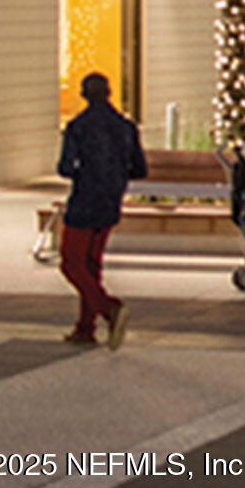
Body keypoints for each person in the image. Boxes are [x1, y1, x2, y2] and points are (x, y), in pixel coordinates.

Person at [56, 73, 146, 349]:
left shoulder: (78, 127)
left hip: (84, 201)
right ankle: (85, 327)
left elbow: (65, 168)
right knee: (92, 265)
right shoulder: (126, 127)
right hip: (110, 201)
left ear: (84, 95)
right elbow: (140, 169)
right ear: (109, 93)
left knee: (71, 263)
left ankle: (109, 309)